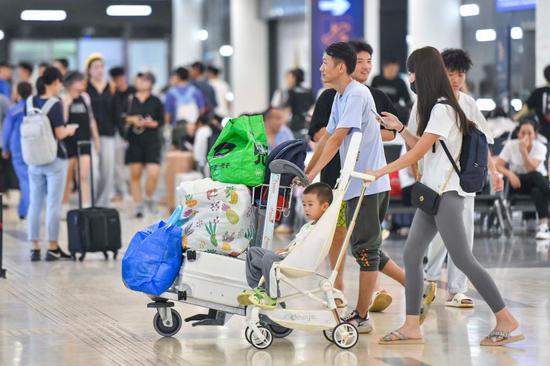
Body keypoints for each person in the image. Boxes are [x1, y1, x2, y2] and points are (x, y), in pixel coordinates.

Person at [367, 46, 522, 346]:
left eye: (412, 71)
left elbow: (419, 151)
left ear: (421, 73)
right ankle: (412, 324)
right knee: (413, 255)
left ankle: (505, 318)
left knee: (463, 258)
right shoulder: (436, 107)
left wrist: (381, 171)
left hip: (448, 195)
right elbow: (425, 146)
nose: (409, 76)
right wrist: (400, 128)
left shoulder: (442, 108)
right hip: (434, 195)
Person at [308, 40, 403, 314]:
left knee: (365, 251)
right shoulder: (339, 97)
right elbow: (326, 136)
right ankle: (416, 289)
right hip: (353, 185)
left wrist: (312, 174)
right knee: (364, 247)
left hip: (367, 185)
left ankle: (361, 315)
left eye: (325, 63)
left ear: (340, 67)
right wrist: (308, 172)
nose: (321, 68)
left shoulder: (357, 94)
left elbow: (337, 139)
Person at [413, 48, 503, 308]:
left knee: (464, 238)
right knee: (438, 239)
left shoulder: (468, 103)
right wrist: (416, 167)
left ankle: (456, 290)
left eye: (460, 74)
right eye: (451, 73)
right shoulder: (430, 104)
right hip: (436, 182)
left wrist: (494, 171)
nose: (456, 79)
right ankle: (429, 279)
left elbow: (482, 140)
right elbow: (417, 142)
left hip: (463, 181)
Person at [238, 182, 333, 309]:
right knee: (253, 252)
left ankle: (272, 297)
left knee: (268, 260)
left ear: (324, 206)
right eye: (304, 205)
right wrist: (286, 249)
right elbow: (297, 242)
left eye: (310, 205)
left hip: (299, 262)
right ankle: (258, 290)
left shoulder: (321, 228)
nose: (306, 208)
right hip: (290, 256)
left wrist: (290, 253)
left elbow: (309, 247)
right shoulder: (308, 225)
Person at [26, 67, 78, 262]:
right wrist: (70, 129)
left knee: (35, 203)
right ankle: (53, 247)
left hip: (33, 158)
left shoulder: (29, 102)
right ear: (55, 82)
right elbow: (59, 134)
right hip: (54, 159)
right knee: (53, 205)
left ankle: (34, 247)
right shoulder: (55, 104)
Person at [496, 120, 549, 240]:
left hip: (539, 183)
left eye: (529, 133)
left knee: (537, 186)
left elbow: (531, 168)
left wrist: (523, 151)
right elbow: (498, 165)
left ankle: (544, 226)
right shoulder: (510, 145)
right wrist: (510, 174)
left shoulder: (541, 147)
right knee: (536, 176)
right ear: (518, 134)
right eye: (523, 132)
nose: (526, 136)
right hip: (519, 183)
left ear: (535, 135)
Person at [123, 72, 164, 218]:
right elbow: (122, 117)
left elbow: (161, 121)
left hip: (152, 140)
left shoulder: (156, 101)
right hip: (134, 140)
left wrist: (151, 123)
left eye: (144, 80)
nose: (140, 82)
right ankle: (138, 204)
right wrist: (132, 119)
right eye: (139, 79)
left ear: (150, 83)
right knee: (135, 173)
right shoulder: (129, 99)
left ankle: (149, 198)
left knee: (153, 173)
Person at [61, 71, 100, 209]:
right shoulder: (64, 98)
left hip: (84, 141)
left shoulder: (85, 97)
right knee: (67, 177)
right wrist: (66, 105)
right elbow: (62, 122)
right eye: (80, 81)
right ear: (71, 83)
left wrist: (96, 138)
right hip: (69, 143)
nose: (83, 83)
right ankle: (64, 206)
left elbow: (91, 119)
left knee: (84, 176)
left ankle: (86, 205)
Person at [86, 54, 115, 207]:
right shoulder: (85, 87)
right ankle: (91, 203)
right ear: (89, 70)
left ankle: (103, 204)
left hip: (108, 133)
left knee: (107, 171)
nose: (99, 70)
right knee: (93, 172)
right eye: (96, 67)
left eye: (102, 66)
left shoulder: (111, 87)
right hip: (89, 135)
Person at [2, 82, 33, 219]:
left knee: (24, 180)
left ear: (18, 93)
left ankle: (25, 210)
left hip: (18, 148)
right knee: (32, 179)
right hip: (34, 149)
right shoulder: (35, 109)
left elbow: (7, 131)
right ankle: (28, 208)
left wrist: (5, 148)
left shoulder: (13, 110)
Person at [514, 65, 550, 164]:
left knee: (544, 155)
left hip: (542, 131)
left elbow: (527, 106)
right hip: (542, 132)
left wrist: (517, 116)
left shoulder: (538, 92)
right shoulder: (538, 92)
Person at [110, 66, 135, 202]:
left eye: (120, 78)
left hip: (133, 133)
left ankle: (132, 190)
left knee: (132, 165)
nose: (119, 81)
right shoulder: (113, 94)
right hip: (118, 133)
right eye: (116, 79)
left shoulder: (132, 91)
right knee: (118, 165)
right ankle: (122, 190)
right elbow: (115, 115)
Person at [272, 68, 315, 136]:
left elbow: (288, 110)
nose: (287, 80)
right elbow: (313, 107)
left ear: (294, 78)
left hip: (295, 126)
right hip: (307, 125)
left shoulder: (291, 91)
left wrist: (279, 124)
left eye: (289, 78)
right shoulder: (308, 91)